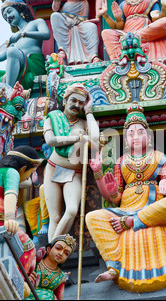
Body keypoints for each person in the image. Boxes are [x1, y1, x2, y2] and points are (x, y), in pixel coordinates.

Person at [86, 103, 166, 293]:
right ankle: (114, 266)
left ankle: (133, 221)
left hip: (153, 208)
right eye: (130, 133)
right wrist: (101, 178)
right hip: (125, 208)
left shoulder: (159, 157)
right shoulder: (121, 162)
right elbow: (114, 198)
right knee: (92, 217)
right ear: (126, 140)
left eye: (140, 132)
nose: (135, 136)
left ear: (149, 136)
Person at [43, 83, 99, 242]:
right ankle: (51, 251)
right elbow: (51, 140)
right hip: (53, 169)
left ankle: (53, 248)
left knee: (72, 210)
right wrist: (79, 138)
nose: (76, 105)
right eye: (73, 100)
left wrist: (88, 112)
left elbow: (94, 139)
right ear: (65, 100)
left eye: (81, 103)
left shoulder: (83, 123)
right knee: (54, 217)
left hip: (74, 173)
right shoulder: (52, 118)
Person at [0, 0, 51, 101]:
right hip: (17, 67)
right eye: (5, 16)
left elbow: (46, 34)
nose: (8, 17)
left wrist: (23, 34)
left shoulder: (36, 23)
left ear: (20, 10)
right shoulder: (14, 40)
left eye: (9, 12)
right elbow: (3, 55)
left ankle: (8, 91)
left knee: (12, 51)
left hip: (34, 65)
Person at [97, 0, 166, 62]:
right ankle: (119, 56)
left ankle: (136, 37)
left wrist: (164, 7)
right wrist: (106, 15)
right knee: (105, 33)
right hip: (126, 33)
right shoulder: (123, 4)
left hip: (144, 30)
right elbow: (118, 27)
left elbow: (157, 20)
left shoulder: (150, 1)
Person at [25, 234, 76, 300]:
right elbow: (18, 280)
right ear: (49, 249)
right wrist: (28, 282)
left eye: (66, 253)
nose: (61, 253)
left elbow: (59, 297)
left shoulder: (61, 276)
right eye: (58, 248)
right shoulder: (34, 263)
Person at [51, 0, 102, 65]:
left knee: (92, 27)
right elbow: (55, 9)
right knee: (55, 16)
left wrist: (97, 17)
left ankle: (93, 57)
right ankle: (63, 50)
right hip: (66, 18)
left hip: (82, 21)